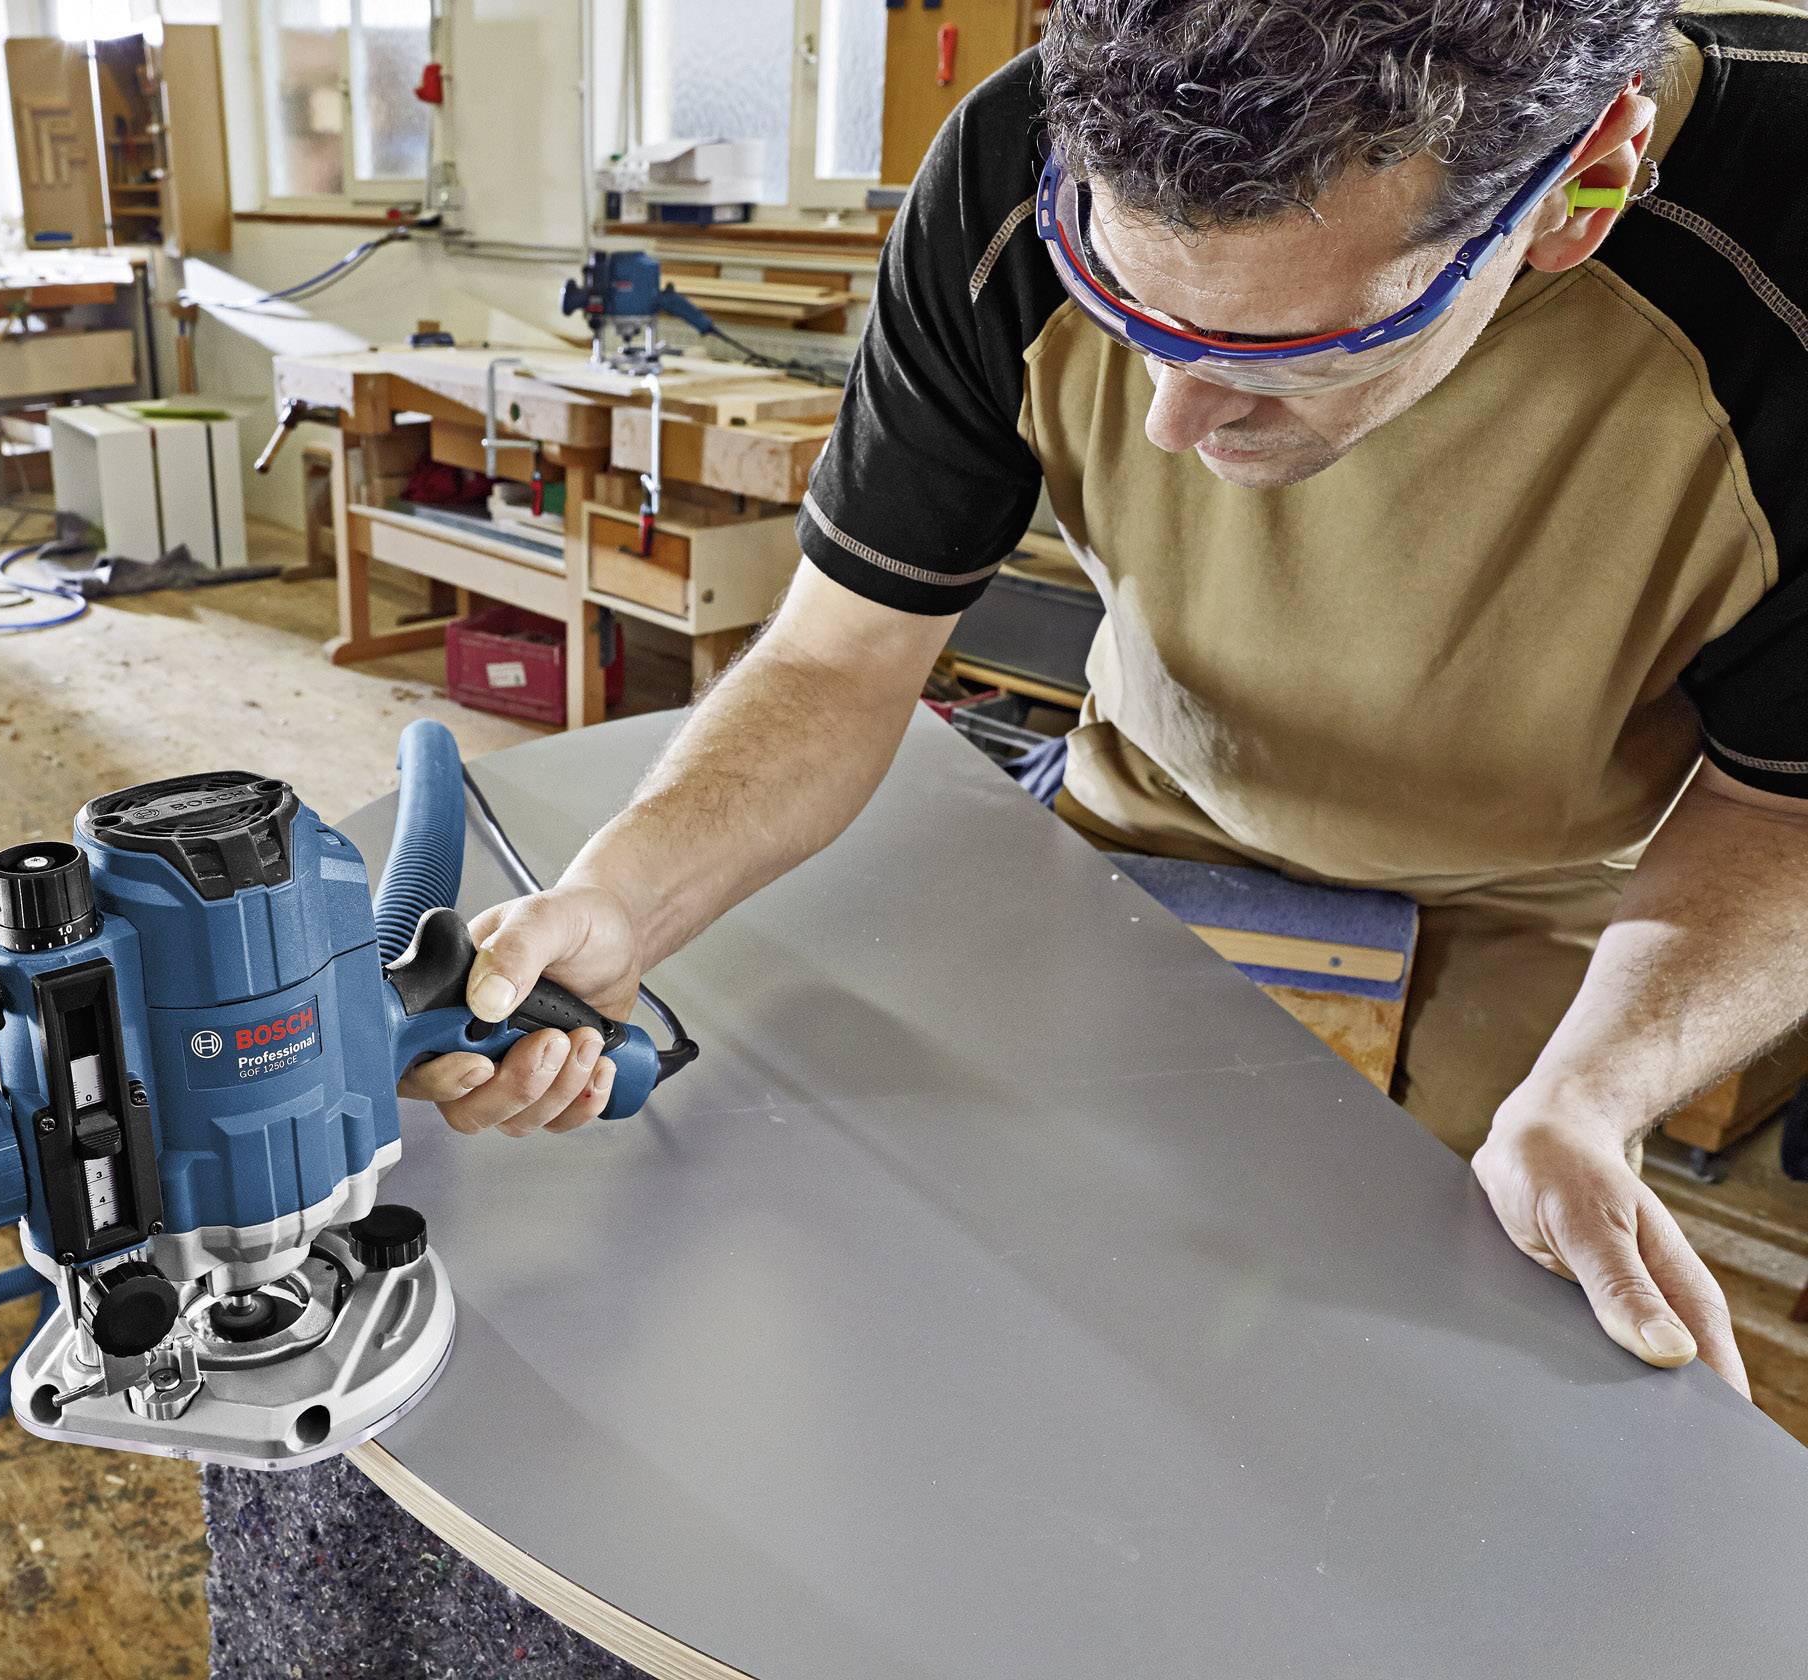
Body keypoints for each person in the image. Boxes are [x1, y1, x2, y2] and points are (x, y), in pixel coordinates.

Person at [401, 0, 1808, 1394]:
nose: (1168, 424)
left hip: (1555, 907)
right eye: (1122, 308)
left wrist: (1599, 1090)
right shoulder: (1012, 162)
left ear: (1587, 185)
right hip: (1134, 825)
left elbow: (1781, 803)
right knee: (988, 1336)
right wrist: (626, 898)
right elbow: (843, 654)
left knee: (1382, 1409)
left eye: (1289, 354)